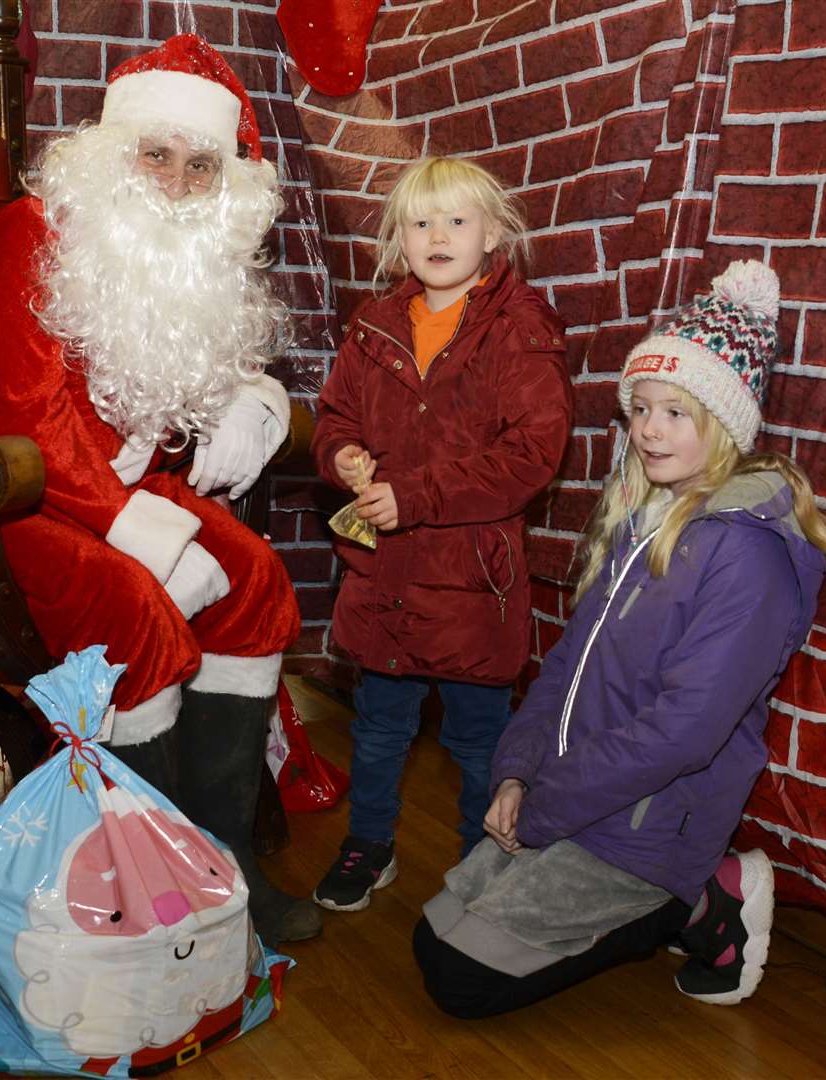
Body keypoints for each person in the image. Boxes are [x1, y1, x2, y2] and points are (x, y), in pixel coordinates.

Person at [0, 34, 321, 946]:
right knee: (135, 608)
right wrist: (153, 538)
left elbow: (173, 404)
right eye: (155, 154)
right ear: (110, 154)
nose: (173, 181)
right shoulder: (31, 232)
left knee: (253, 580)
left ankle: (226, 859)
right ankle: (150, 887)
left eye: (200, 165)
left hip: (106, 493)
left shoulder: (193, 259)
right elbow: (27, 421)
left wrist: (254, 398)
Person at [411, 260, 826, 1017]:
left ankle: (703, 900)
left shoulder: (747, 555)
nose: (649, 429)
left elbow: (683, 733)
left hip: (645, 827)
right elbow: (565, 667)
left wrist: (543, 809)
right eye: (640, 408)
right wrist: (515, 774)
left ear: (724, 424)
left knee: (460, 980)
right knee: (429, 937)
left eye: (676, 412)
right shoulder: (644, 523)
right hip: (575, 796)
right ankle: (659, 892)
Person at [309, 157, 574, 913]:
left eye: (457, 220)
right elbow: (335, 418)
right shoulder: (374, 325)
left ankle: (478, 863)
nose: (438, 235)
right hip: (384, 572)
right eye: (421, 222)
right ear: (398, 238)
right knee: (379, 727)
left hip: (470, 579)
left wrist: (417, 494)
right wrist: (343, 455)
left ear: (493, 233)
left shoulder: (519, 328)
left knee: (476, 739)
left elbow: (532, 455)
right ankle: (369, 846)